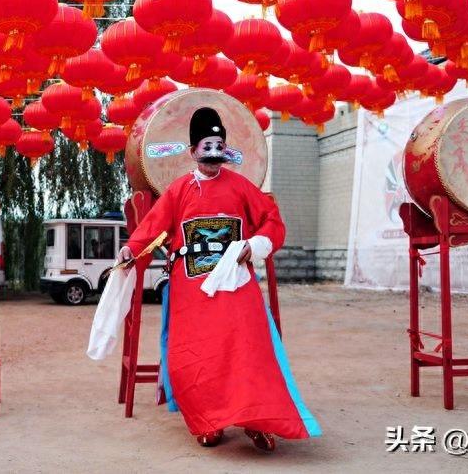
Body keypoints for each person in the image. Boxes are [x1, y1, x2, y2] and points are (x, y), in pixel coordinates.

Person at [119, 107, 321, 451]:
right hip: (191, 287)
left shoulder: (241, 187)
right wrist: (131, 248)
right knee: (194, 355)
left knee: (248, 351)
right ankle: (208, 421)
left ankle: (255, 420)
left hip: (235, 284)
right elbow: (152, 226)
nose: (213, 154)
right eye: (206, 146)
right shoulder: (179, 190)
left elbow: (273, 223)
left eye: (218, 146)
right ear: (193, 150)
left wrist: (255, 244)